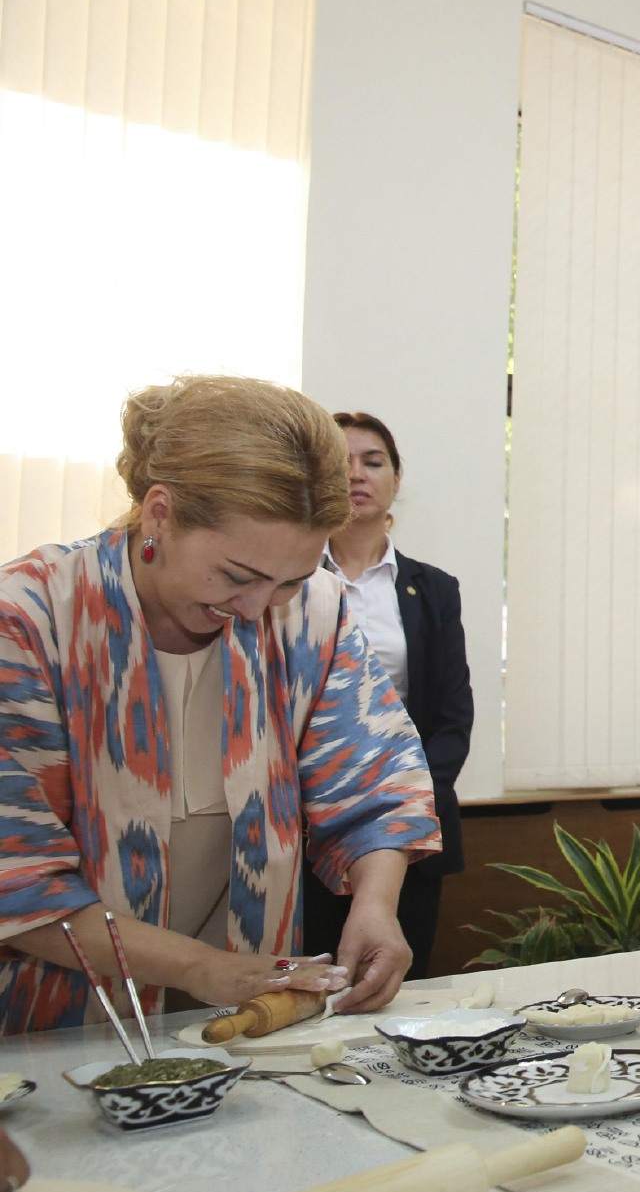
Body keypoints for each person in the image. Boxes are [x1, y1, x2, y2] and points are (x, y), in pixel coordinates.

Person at [0, 376, 439, 1034]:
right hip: (54, 1022)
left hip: (243, 1007)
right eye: (237, 576)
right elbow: (18, 868)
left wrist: (376, 903)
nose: (258, 607)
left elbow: (375, 781)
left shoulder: (314, 614)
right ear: (159, 513)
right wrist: (202, 967)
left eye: (288, 580)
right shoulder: (32, 621)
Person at [301, 413, 473, 975]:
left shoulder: (434, 589)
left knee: (396, 990)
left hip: (409, 834)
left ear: (396, 479)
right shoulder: (285, 578)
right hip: (302, 830)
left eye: (373, 462)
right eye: (340, 462)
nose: (357, 474)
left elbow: (451, 719)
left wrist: (409, 804)